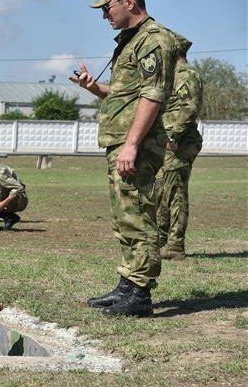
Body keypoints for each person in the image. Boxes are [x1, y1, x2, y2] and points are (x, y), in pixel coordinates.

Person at [70, 0, 177, 317]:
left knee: (140, 215)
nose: (104, 14)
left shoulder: (153, 38)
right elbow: (125, 95)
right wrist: (95, 89)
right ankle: (128, 284)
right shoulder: (131, 41)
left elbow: (152, 96)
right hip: (122, 141)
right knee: (125, 216)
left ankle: (140, 295)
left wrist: (131, 144)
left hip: (138, 144)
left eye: (107, 7)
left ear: (130, 2)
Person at [154, 32, 203, 261]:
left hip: (179, 143)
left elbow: (189, 108)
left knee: (175, 193)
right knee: (164, 191)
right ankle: (163, 241)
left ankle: (175, 246)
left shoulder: (186, 75)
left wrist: (174, 136)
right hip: (169, 141)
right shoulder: (172, 76)